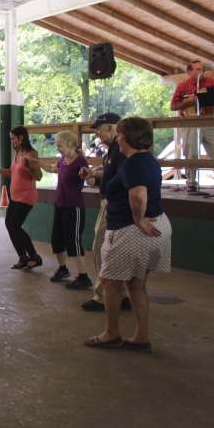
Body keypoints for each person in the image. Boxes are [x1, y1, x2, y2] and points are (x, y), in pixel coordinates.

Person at [84, 117, 172, 353]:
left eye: (120, 135)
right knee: (136, 284)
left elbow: (139, 195)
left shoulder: (133, 163)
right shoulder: (148, 160)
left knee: (110, 282)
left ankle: (111, 333)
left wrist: (138, 219)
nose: (118, 138)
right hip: (155, 225)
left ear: (127, 137)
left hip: (129, 231)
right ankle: (141, 336)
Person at [78, 113, 131, 312]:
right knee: (111, 252)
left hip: (114, 204)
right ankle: (123, 295)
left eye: (99, 130)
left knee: (101, 250)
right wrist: (94, 175)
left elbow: (122, 180)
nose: (98, 135)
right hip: (113, 202)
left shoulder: (120, 151)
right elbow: (113, 175)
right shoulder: (114, 150)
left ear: (110, 128)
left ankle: (102, 297)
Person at [28, 131, 91, 289]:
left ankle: (83, 277)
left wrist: (86, 175)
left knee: (73, 241)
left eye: (59, 146)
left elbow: (89, 179)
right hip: (60, 204)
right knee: (57, 240)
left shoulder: (80, 160)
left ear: (69, 144)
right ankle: (63, 269)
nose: (58, 149)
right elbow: (52, 168)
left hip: (74, 206)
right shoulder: (63, 160)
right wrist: (36, 162)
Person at [170, 60, 214, 194]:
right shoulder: (183, 86)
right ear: (189, 71)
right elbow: (173, 106)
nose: (201, 72)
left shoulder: (210, 82)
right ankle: (191, 184)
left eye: (202, 69)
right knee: (191, 153)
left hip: (209, 121)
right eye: (198, 69)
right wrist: (189, 101)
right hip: (191, 121)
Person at [0, 126, 43, 270]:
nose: (11, 141)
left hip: (27, 196)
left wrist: (30, 166)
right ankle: (23, 257)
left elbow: (39, 177)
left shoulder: (32, 153)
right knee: (9, 224)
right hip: (15, 196)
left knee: (15, 226)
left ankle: (35, 257)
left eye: (13, 138)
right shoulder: (17, 152)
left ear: (21, 138)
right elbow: (13, 173)